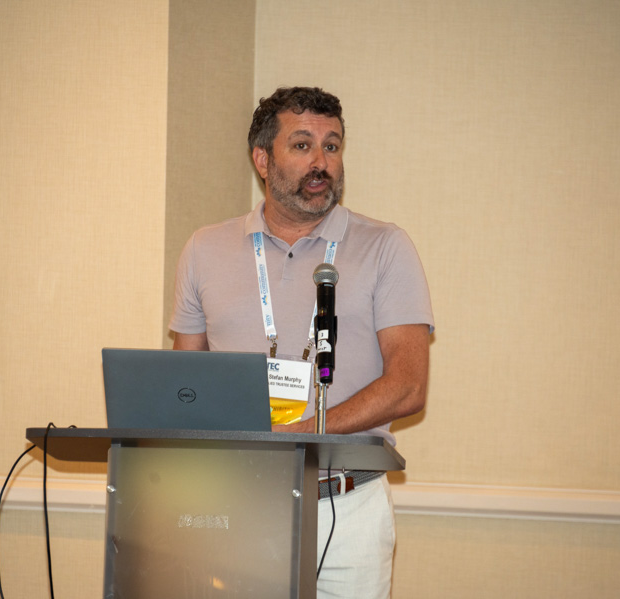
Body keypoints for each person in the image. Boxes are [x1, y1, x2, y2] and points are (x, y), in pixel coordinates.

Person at [170, 86, 434, 598]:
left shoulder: (385, 246)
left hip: (347, 506)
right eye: (302, 145)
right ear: (262, 159)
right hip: (238, 504)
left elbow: (408, 385)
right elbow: (187, 386)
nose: (321, 162)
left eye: (332, 146)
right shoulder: (205, 248)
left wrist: (303, 430)